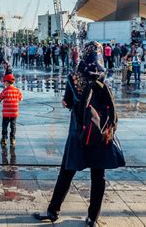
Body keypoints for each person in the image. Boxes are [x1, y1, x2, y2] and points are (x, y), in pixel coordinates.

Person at [34, 42, 125, 226]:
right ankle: (92, 218)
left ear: (84, 54)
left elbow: (67, 102)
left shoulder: (74, 77)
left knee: (66, 173)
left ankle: (53, 211)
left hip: (79, 134)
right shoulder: (102, 77)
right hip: (99, 134)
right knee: (98, 177)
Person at [0, 73, 23, 147]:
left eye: (4, 82)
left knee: (4, 127)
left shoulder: (5, 91)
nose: (3, 83)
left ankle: (4, 139)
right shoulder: (17, 90)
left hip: (6, 113)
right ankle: (12, 139)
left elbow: (0, 99)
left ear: (7, 82)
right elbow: (21, 98)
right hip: (14, 113)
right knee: (13, 127)